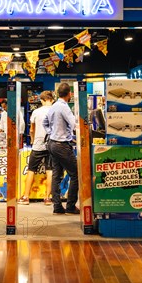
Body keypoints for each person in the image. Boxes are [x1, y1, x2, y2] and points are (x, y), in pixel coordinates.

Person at [43, 83, 80, 215]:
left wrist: (52, 132)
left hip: (52, 143)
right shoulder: (64, 107)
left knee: (56, 176)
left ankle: (57, 207)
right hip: (62, 145)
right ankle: (70, 206)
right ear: (69, 94)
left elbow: (44, 122)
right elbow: (75, 124)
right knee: (76, 174)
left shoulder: (53, 107)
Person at [18, 91, 54, 206]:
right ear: (52, 100)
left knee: (31, 170)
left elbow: (32, 130)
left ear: (42, 100)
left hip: (38, 145)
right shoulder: (55, 111)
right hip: (51, 144)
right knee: (50, 171)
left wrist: (33, 141)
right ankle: (47, 198)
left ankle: (26, 197)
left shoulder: (36, 112)